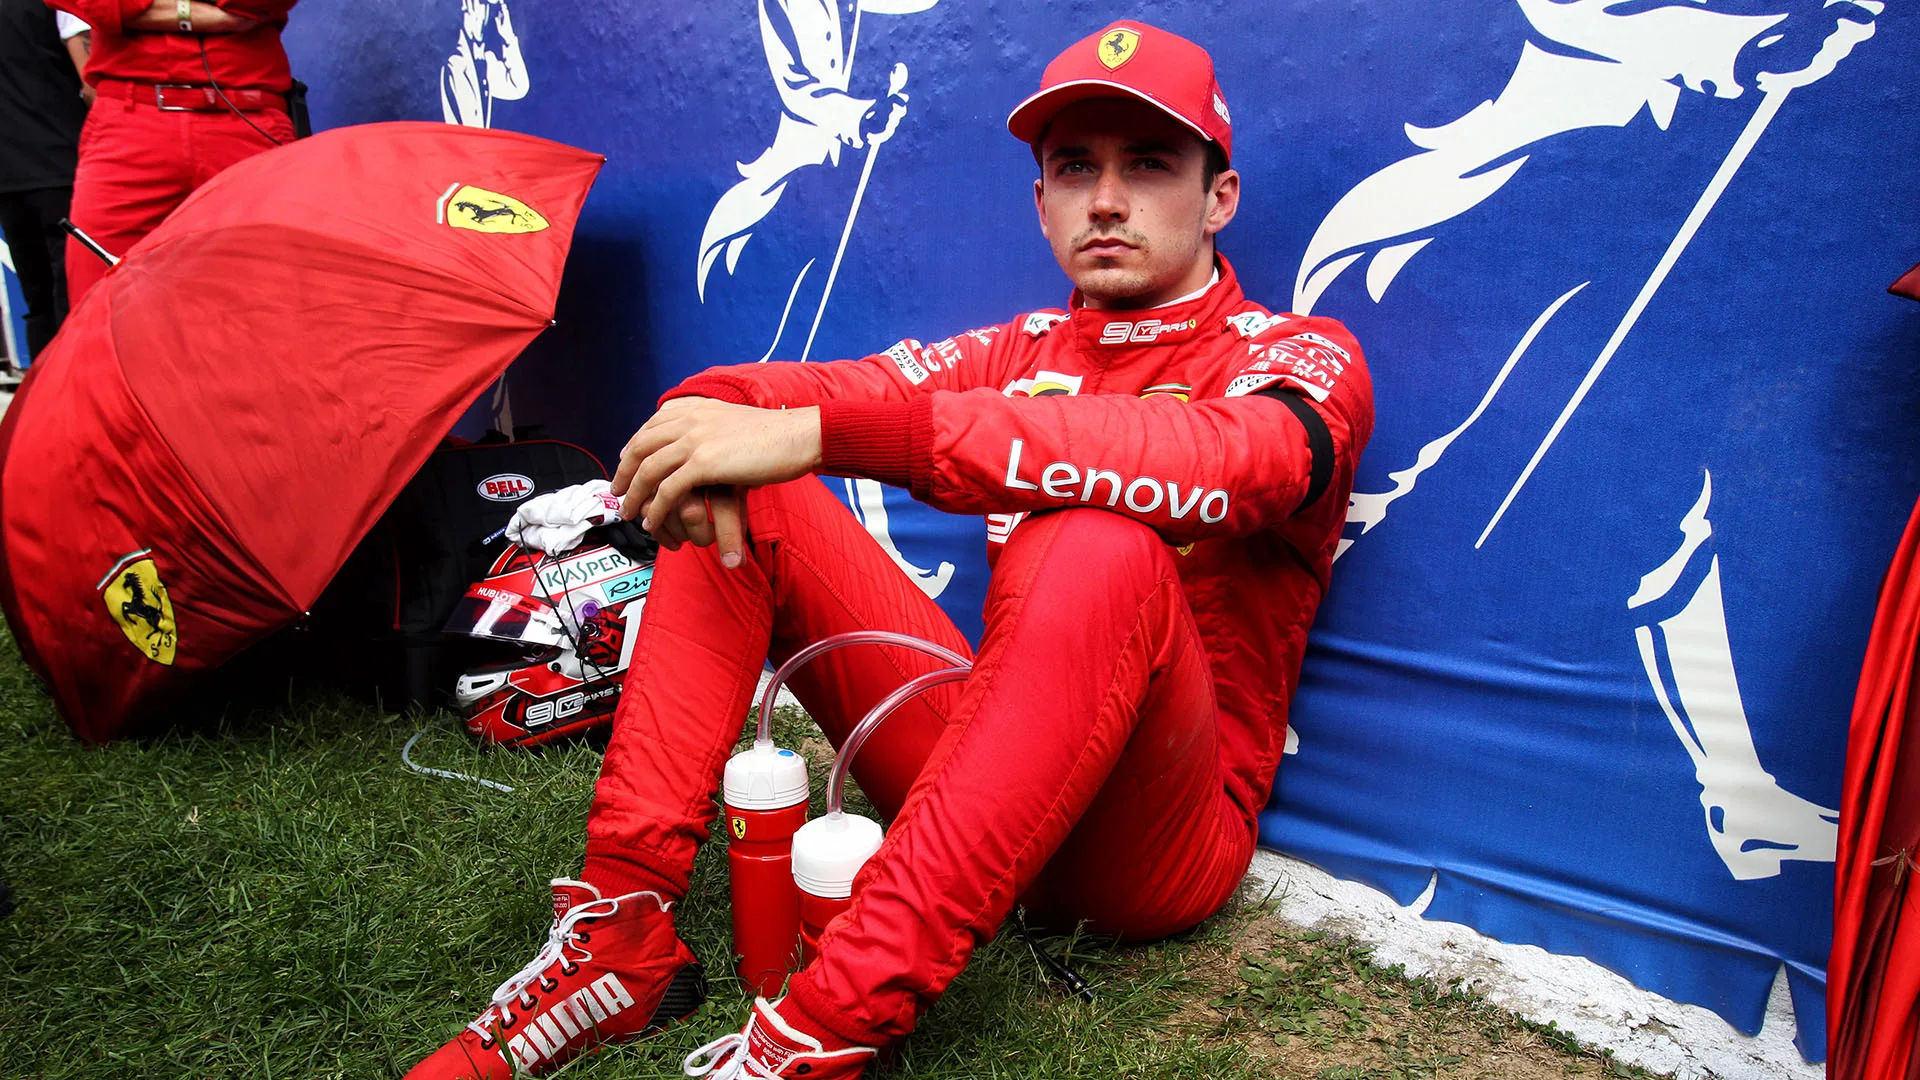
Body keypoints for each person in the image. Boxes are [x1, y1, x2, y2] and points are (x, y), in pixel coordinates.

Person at [406, 20, 1374, 1080]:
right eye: (1074, 169)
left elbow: (1248, 463)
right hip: (989, 789)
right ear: (1040, 201)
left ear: (1218, 196)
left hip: (1153, 848)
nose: (1107, 199)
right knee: (742, 469)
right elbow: (749, 397)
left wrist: (843, 434)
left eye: (1148, 166)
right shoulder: (1016, 352)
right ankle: (623, 930)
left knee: (1097, 539)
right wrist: (711, 418)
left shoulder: (1297, 353)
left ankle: (822, 1031)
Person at [46, 0, 298, 306]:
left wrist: (137, 13)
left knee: (268, 298)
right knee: (98, 297)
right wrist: (195, 14)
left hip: (246, 116)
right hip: (130, 124)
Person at [0, 1, 88, 363]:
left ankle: (44, 406)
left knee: (39, 302)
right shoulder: (62, 6)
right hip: (68, 167)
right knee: (77, 300)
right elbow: (92, 82)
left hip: (12, 175)